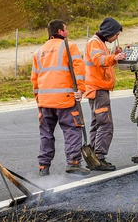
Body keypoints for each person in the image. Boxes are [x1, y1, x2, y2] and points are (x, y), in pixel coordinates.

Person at [32, 20, 89, 176]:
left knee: (46, 134)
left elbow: (34, 79)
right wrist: (81, 89)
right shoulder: (69, 47)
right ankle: (74, 163)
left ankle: (44, 166)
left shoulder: (38, 51)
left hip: (45, 101)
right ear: (60, 31)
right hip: (65, 99)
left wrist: (39, 99)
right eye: (66, 29)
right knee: (72, 131)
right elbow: (79, 71)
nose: (68, 32)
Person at [84, 17, 126, 171]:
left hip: (95, 89)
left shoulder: (98, 42)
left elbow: (103, 62)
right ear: (110, 32)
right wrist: (113, 57)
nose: (117, 38)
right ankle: (99, 158)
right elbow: (98, 60)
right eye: (116, 34)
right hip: (98, 89)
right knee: (105, 124)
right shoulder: (95, 42)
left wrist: (113, 57)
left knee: (97, 124)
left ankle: (94, 159)